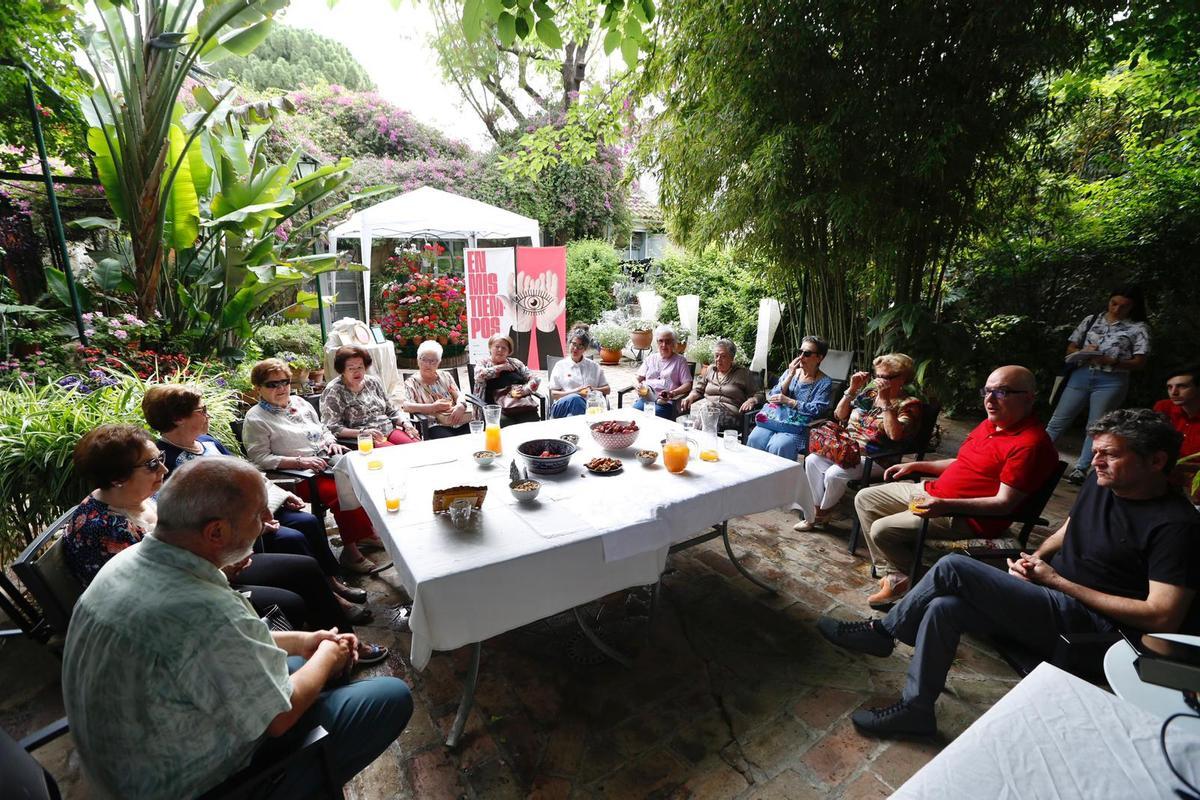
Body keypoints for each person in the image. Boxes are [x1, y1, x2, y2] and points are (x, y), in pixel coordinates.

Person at [817, 408, 1200, 738]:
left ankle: (883, 633)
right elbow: (1072, 527)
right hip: (1049, 596)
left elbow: (1163, 614)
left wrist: (1056, 580)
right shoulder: (1107, 485)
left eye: (1110, 454)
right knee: (945, 607)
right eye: (1095, 452)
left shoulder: (1175, 526)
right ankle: (917, 710)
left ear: (1156, 461)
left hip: (1088, 628)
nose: (1096, 461)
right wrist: (1033, 556)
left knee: (954, 568)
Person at [62, 457, 412, 799]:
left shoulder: (132, 561)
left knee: (300, 665)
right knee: (389, 697)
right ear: (216, 531)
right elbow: (279, 715)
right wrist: (328, 653)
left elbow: (208, 647)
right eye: (258, 515)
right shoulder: (203, 608)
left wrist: (303, 640)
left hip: (130, 760)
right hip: (197, 783)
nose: (267, 521)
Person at [63, 423, 388, 656]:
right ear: (117, 478)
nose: (163, 467)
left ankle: (344, 647)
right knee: (291, 602)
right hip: (182, 604)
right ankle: (312, 663)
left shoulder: (143, 497)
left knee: (304, 567)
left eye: (160, 457)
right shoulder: (101, 529)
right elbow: (150, 598)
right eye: (152, 464)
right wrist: (223, 570)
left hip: (203, 571)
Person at [143, 384, 368, 610]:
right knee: (292, 538)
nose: (208, 415)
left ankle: (331, 583)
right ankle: (328, 602)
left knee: (308, 522)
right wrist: (254, 524)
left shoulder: (208, 443)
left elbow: (247, 473)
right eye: (202, 410)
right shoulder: (166, 461)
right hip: (231, 529)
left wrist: (282, 493)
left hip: (256, 510)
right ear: (177, 418)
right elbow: (193, 514)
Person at [853, 365, 1059, 608]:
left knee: (881, 530)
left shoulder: (1030, 445)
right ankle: (901, 573)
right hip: (933, 492)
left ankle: (908, 580)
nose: (990, 399)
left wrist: (944, 505)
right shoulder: (991, 425)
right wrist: (918, 467)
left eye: (1002, 392)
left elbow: (1004, 504)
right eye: (987, 391)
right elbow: (961, 462)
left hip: (964, 516)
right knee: (865, 498)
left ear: (1028, 398)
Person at [244, 358, 390, 574]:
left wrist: (332, 443)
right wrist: (300, 461)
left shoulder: (299, 403)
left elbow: (322, 428)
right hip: (298, 475)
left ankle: (364, 534)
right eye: (272, 384)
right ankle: (350, 552)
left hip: (325, 460)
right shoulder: (256, 418)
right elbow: (259, 458)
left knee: (366, 475)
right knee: (341, 493)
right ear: (258, 388)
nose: (281, 388)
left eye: (284, 382)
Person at [794, 353, 922, 532]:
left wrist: (885, 402)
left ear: (901, 379)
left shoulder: (909, 404)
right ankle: (817, 510)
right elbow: (839, 415)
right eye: (877, 376)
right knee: (812, 460)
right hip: (846, 449)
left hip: (876, 458)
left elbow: (895, 435)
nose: (879, 381)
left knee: (834, 474)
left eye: (885, 377)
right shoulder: (870, 394)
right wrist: (852, 390)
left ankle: (820, 514)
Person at [1046, 285, 1151, 484]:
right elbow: (1070, 347)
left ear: (1133, 308)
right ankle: (1034, 453)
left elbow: (1140, 361)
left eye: (1124, 306)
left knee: (1096, 426)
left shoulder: (1138, 328)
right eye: (1114, 303)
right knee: (1059, 419)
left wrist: (1114, 361)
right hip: (1082, 373)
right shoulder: (1092, 320)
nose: (1117, 309)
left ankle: (1081, 468)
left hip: (1111, 380)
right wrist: (1084, 351)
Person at [746, 336, 833, 460]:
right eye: (800, 352)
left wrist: (789, 401)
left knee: (779, 446)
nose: (801, 357)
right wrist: (790, 375)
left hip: (799, 427)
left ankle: (779, 479)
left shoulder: (824, 382)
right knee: (755, 439)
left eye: (807, 353)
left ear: (820, 358)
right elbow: (772, 397)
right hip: (774, 419)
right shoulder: (790, 373)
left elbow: (818, 409)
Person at [322, 345, 420, 446]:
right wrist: (362, 433)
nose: (357, 372)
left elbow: (391, 411)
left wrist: (406, 424)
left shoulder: (373, 382)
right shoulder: (334, 391)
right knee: (394, 455)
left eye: (360, 367)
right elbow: (332, 427)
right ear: (342, 370)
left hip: (388, 429)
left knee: (417, 446)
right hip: (364, 437)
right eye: (351, 368)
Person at [679, 338, 761, 429]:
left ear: (732, 358)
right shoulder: (710, 369)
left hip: (732, 416)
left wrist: (752, 400)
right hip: (706, 411)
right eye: (716, 355)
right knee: (706, 414)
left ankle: (697, 438)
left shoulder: (743, 373)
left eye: (723, 356)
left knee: (706, 413)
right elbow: (698, 389)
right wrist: (690, 397)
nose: (718, 359)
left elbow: (759, 394)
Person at [401, 339, 474, 438]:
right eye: (424, 359)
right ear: (418, 360)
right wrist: (433, 407)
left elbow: (458, 394)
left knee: (477, 432)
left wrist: (461, 405)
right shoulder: (411, 383)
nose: (428, 364)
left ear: (439, 362)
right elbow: (406, 406)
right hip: (435, 425)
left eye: (433, 361)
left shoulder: (445, 376)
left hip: (458, 419)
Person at [1154, 364, 1199, 503]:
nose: (1174, 392)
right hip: (1167, 472)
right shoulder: (1164, 407)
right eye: (1169, 387)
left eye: (1182, 386)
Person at [473, 333, 541, 426]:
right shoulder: (483, 363)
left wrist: (526, 390)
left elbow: (536, 378)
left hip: (520, 404)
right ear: (490, 348)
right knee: (504, 422)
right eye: (497, 346)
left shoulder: (515, 363)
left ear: (509, 351)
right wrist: (501, 368)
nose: (500, 350)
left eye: (504, 348)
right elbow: (479, 376)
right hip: (495, 407)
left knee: (532, 418)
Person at [632, 324, 693, 421]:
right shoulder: (650, 359)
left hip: (666, 403)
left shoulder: (680, 361)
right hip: (646, 399)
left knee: (650, 419)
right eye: (661, 341)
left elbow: (687, 385)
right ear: (657, 342)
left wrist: (672, 393)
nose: (664, 345)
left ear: (674, 343)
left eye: (668, 341)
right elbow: (636, 378)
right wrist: (637, 386)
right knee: (634, 415)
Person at [547, 327, 611, 417]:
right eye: (573, 344)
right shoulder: (560, 365)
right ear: (569, 344)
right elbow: (554, 394)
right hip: (562, 407)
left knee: (573, 414)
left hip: (589, 407)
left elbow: (607, 389)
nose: (575, 348)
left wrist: (592, 390)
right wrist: (576, 392)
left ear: (585, 349)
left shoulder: (594, 366)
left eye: (580, 346)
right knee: (575, 399)